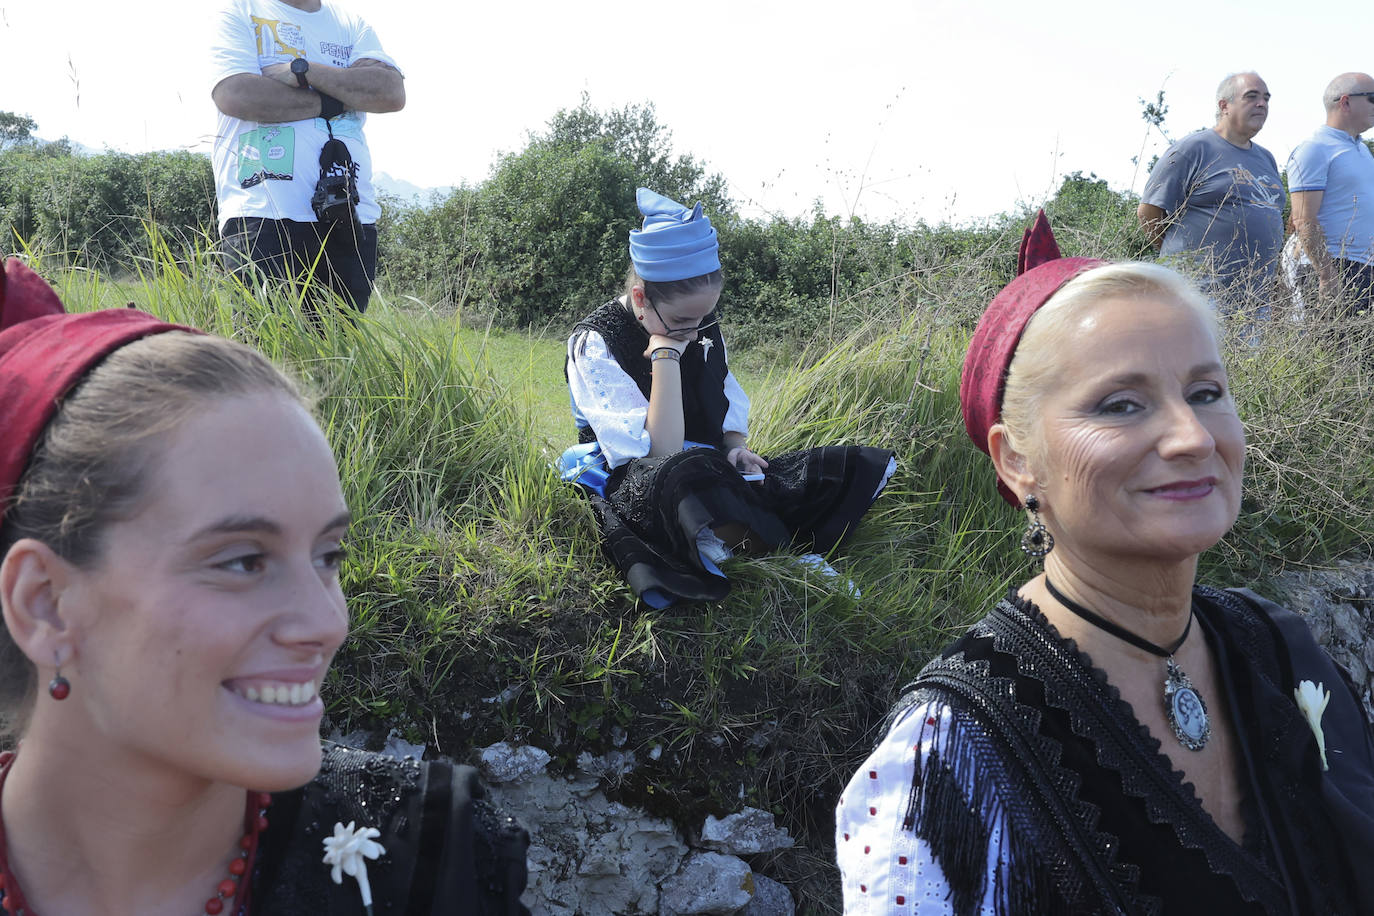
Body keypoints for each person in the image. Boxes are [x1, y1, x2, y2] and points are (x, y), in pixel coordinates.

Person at [835, 212, 1374, 915]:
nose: (1190, 437)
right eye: (1122, 405)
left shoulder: (1276, 645)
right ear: (1016, 459)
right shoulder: (952, 757)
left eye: (1206, 393)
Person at [0, 258, 529, 915]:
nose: (326, 622)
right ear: (45, 603)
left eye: (328, 555)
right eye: (244, 561)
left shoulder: (425, 868)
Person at [561, 188, 896, 608]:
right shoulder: (595, 343)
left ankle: (767, 543)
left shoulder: (697, 325)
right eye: (683, 320)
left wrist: (735, 447)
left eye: (703, 318)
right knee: (684, 476)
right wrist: (665, 352)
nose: (695, 330)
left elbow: (722, 388)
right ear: (642, 299)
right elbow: (657, 451)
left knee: (817, 471)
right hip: (634, 472)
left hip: (701, 457)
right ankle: (777, 556)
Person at [211, 0, 405, 317]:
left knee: (339, 359)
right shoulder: (238, 11)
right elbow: (237, 94)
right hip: (264, 214)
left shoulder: (351, 24)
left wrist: (303, 70)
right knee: (266, 357)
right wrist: (336, 98)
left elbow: (390, 91)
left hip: (351, 217)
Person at [1137, 72, 1284, 316]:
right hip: (1200, 296)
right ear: (1224, 105)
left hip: (1255, 299)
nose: (1262, 104)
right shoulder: (1193, 149)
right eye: (1251, 96)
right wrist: (1182, 261)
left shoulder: (1266, 158)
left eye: (1266, 98)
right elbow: (1149, 212)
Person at [1288, 72, 1374, 321]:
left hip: (1364, 269)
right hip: (1336, 267)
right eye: (1372, 98)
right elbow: (1304, 218)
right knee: (1334, 355)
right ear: (1345, 102)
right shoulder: (1315, 148)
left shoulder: (1361, 149)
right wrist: (1326, 275)